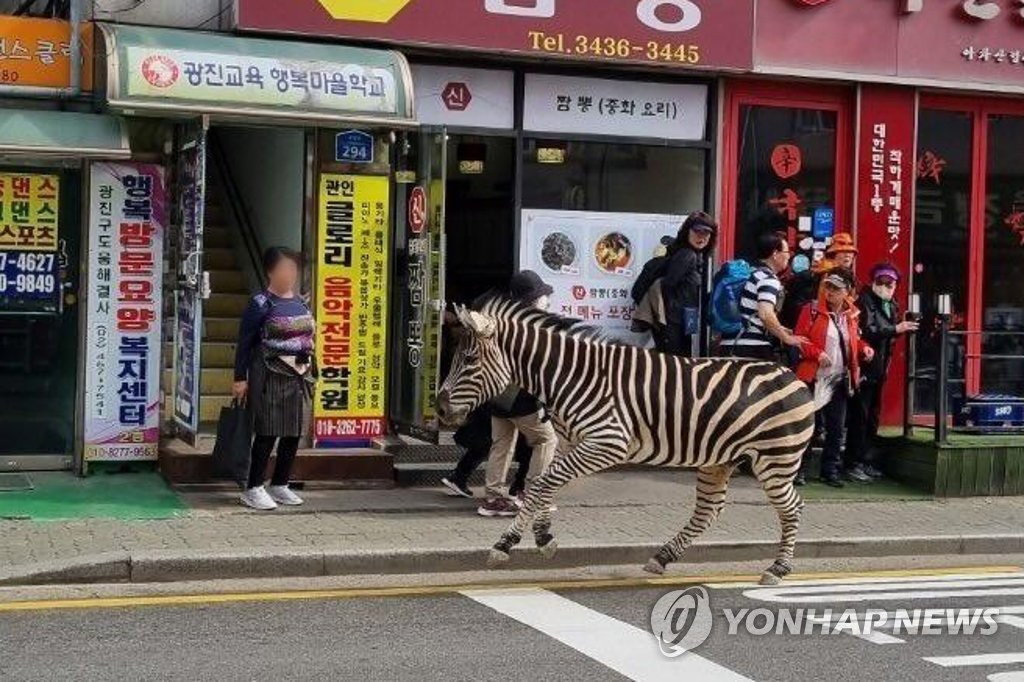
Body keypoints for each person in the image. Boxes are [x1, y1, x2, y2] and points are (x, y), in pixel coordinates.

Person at [232, 247, 315, 510]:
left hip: (298, 377)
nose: (289, 274)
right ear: (270, 271)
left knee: (293, 432)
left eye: (293, 269)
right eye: (284, 269)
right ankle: (253, 487)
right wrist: (239, 378)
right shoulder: (260, 304)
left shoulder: (301, 302)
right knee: (268, 432)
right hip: (268, 376)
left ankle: (280, 484)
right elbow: (244, 344)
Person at [478, 270, 559, 518]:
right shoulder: (531, 326)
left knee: (501, 444)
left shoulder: (502, 319)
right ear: (532, 300)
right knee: (546, 440)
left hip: (497, 395)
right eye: (542, 296)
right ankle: (534, 495)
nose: (546, 300)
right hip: (521, 398)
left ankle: (492, 499)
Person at [792, 268, 874, 487]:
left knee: (836, 428)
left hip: (839, 378)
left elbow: (854, 340)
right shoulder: (810, 310)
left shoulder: (851, 315)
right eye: (828, 287)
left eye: (836, 289)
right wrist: (817, 353)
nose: (830, 292)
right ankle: (799, 470)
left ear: (846, 292)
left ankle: (830, 471)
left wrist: (864, 349)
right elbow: (799, 339)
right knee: (810, 425)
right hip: (814, 377)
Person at [845, 263, 919, 481]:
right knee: (860, 415)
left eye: (890, 283)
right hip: (865, 366)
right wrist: (896, 329)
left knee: (873, 417)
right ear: (873, 280)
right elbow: (867, 331)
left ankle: (864, 459)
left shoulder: (892, 304)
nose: (885, 286)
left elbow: (888, 335)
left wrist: (899, 330)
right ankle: (852, 462)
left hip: (879, 368)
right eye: (881, 281)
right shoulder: (864, 301)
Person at [720, 232, 805, 361]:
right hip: (750, 347)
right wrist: (787, 338)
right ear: (775, 254)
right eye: (787, 252)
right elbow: (765, 314)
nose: (789, 257)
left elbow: (748, 310)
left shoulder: (751, 274)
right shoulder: (768, 279)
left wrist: (779, 328)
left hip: (729, 343)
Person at [659, 212, 717, 356]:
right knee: (676, 364)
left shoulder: (697, 256)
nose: (702, 237)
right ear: (687, 232)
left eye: (706, 233)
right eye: (697, 231)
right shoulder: (687, 255)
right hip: (674, 321)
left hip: (685, 318)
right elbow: (667, 285)